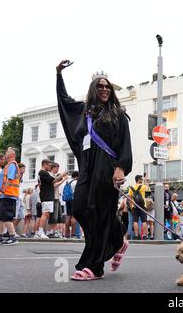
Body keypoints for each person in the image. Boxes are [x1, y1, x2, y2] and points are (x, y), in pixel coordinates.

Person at [57, 60, 132, 280]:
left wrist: (121, 169)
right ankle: (118, 239)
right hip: (87, 169)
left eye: (107, 87)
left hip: (106, 169)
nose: (104, 89)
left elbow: (125, 144)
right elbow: (64, 102)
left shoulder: (118, 114)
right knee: (80, 208)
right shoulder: (83, 112)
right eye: (100, 86)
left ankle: (94, 266)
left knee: (100, 214)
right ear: (93, 89)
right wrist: (59, 74)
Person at [0, 148, 21, 245]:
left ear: (12, 155)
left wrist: (2, 190)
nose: (6, 153)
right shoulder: (7, 166)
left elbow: (9, 179)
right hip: (3, 195)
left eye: (8, 152)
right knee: (0, 217)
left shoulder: (12, 164)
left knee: (7, 217)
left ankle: (13, 237)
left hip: (8, 194)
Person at [128, 175, 148, 240]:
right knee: (144, 221)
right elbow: (148, 196)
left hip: (135, 206)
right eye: (141, 179)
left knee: (135, 221)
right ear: (139, 179)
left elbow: (129, 198)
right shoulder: (144, 187)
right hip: (143, 206)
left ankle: (136, 235)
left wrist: (131, 207)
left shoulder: (131, 188)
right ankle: (144, 235)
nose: (142, 180)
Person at [64, 171, 79, 239]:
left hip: (68, 200)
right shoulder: (76, 182)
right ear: (76, 176)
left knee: (68, 216)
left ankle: (66, 234)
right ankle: (73, 234)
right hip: (74, 200)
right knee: (74, 217)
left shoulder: (67, 182)